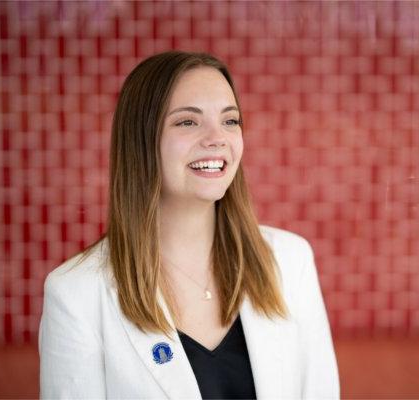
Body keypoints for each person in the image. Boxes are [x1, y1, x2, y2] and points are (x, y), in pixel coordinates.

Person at [39, 51, 339, 399]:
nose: (217, 138)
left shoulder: (291, 261)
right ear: (142, 140)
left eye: (230, 120)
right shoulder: (76, 294)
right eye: (188, 122)